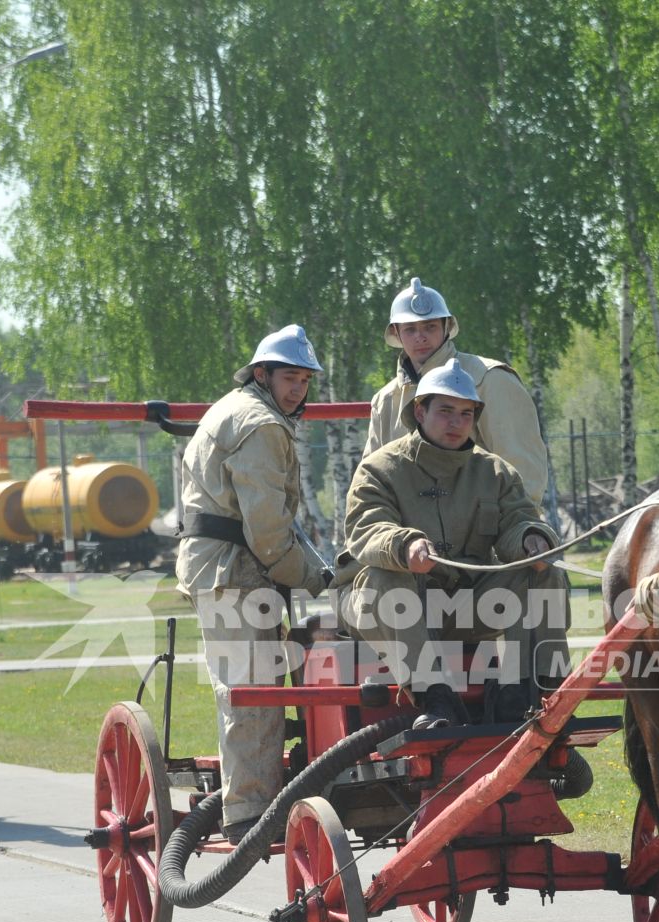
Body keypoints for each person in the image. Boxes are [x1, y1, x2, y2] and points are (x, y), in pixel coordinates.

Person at [338, 362, 567, 730]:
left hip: (464, 606)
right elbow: (367, 528)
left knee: (542, 575)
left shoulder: (495, 472)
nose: (456, 422)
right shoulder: (379, 468)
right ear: (419, 411)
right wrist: (406, 546)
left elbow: (518, 520)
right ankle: (436, 699)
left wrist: (531, 539)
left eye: (465, 414)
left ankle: (527, 694)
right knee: (388, 577)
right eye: (445, 411)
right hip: (387, 606)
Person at [177, 324, 334, 844]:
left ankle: (262, 798)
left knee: (255, 689)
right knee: (253, 694)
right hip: (234, 572)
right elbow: (269, 535)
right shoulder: (261, 424)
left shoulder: (238, 410)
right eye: (290, 378)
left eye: (305, 380)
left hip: (228, 570)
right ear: (262, 374)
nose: (298, 390)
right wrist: (320, 578)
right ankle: (248, 814)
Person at [364, 277, 551, 500]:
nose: (420, 336)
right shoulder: (385, 401)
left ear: (447, 327)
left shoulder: (490, 380)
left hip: (486, 528)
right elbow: (371, 484)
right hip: (406, 532)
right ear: (396, 332)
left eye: (430, 326)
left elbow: (524, 474)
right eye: (410, 329)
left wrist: (517, 528)